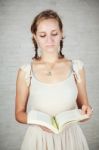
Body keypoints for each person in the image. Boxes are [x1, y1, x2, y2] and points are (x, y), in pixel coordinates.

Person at [15, 9, 93, 150]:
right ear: (35, 37)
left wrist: (86, 112)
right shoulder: (25, 71)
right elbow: (19, 114)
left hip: (71, 138)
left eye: (54, 34)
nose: (49, 40)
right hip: (39, 139)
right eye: (43, 35)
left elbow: (84, 111)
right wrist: (39, 123)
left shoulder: (77, 67)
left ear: (62, 33)